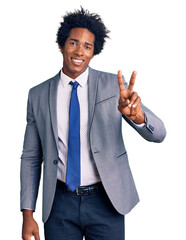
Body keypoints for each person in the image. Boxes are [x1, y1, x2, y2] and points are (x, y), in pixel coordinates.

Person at [20, 7, 166, 240]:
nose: (80, 51)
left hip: (106, 200)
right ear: (61, 45)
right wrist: (28, 214)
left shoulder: (113, 87)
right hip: (59, 204)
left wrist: (137, 117)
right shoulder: (37, 95)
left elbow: (159, 134)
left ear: (94, 52)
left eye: (87, 46)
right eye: (73, 43)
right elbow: (30, 156)